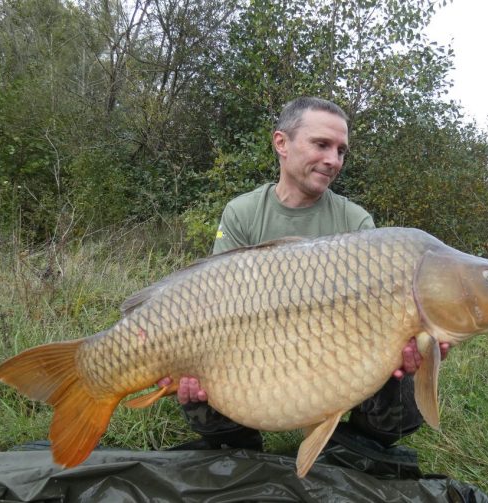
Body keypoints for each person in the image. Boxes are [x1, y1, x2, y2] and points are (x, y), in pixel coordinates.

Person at [162, 97, 449, 452]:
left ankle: (356, 446)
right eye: (322, 145)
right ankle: (238, 447)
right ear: (281, 143)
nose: (334, 160)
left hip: (336, 354)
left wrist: (411, 343)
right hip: (254, 351)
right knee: (194, 380)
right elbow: (212, 302)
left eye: (341, 150)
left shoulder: (355, 222)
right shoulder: (243, 213)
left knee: (400, 377)